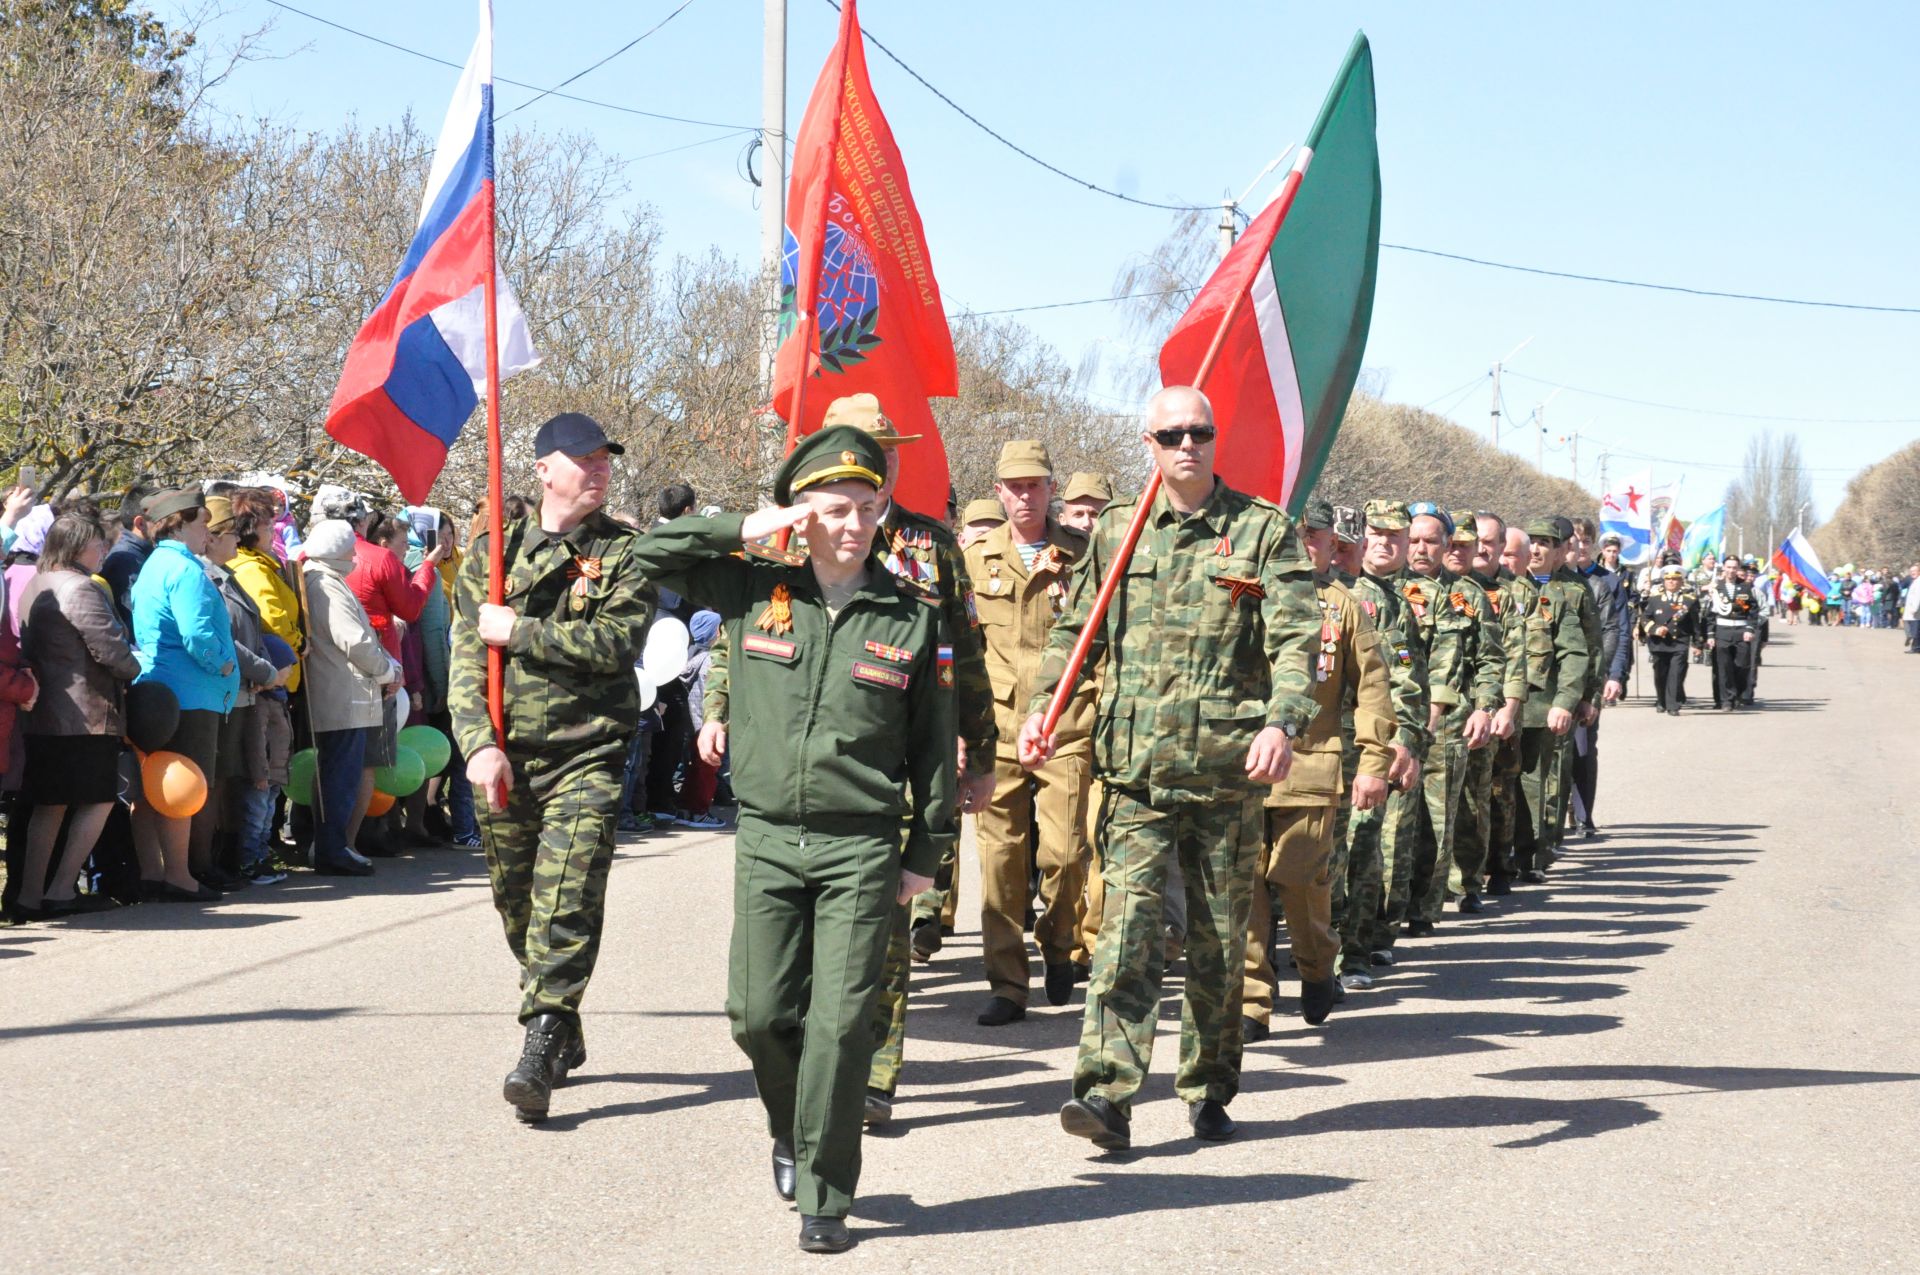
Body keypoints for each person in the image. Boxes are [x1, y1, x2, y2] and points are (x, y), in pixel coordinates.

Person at [632, 425, 955, 1253]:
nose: (852, 523)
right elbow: (651, 558)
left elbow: (932, 745)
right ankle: (792, 1124)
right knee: (757, 1013)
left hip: (863, 846)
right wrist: (746, 524)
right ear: (801, 510)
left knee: (842, 1026)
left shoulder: (909, 615)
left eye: (866, 507)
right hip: (770, 836)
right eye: (833, 507)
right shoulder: (751, 588)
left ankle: (826, 1192)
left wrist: (926, 856)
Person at [1018, 385, 1318, 1151]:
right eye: (1172, 433)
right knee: (1129, 936)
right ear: (1147, 444)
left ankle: (1211, 1084)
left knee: (1220, 944)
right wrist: (1042, 709)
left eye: (1200, 432)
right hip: (1137, 774)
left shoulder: (1259, 533)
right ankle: (1106, 1093)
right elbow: (1075, 631)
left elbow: (1295, 642)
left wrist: (1283, 721)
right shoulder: (1119, 532)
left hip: (1225, 773)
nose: (1187, 444)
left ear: (1216, 440)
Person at [449, 412, 650, 1126]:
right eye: (585, 459)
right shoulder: (492, 553)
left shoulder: (624, 552)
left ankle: (538, 1043)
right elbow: (466, 659)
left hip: (587, 753)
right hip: (507, 755)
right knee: (521, 912)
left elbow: (618, 641)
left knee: (565, 897)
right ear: (543, 469)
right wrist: (477, 743)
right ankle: (564, 1017)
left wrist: (523, 630)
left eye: (605, 460)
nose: (598, 470)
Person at [1241, 499, 1393, 1037]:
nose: (1304, 544)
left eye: (1315, 536)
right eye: (1295, 533)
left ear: (1335, 545)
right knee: (1246, 888)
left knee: (1300, 880)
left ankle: (1316, 966)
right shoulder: (1244, 593)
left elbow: (1374, 689)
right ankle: (1252, 1000)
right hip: (1243, 767)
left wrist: (1374, 761)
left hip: (1310, 765)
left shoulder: (1345, 607)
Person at [964, 439, 1095, 1026]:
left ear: (1051, 490)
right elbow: (960, 648)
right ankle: (1007, 984)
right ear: (999, 491)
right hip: (997, 728)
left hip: (1065, 726)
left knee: (1066, 855)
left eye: (1035, 485)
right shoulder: (975, 558)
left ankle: (1059, 939)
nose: (1024, 495)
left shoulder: (1086, 557)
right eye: (1014, 486)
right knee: (1000, 863)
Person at [12, 510, 136, 918]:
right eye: (98, 542)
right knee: (98, 800)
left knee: (49, 804)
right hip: (85, 714)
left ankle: (30, 894)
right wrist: (135, 669)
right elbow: (109, 649)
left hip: (43, 713)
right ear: (80, 545)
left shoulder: (36, 584)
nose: (103, 550)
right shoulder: (80, 587)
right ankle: (62, 888)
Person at [127, 488, 238, 902]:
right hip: (190, 694)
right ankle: (179, 876)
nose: (207, 533)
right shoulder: (186, 569)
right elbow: (196, 633)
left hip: (158, 691)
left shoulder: (155, 564)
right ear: (179, 523)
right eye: (202, 524)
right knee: (181, 787)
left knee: (151, 787)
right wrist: (222, 663)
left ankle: (153, 874)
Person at [1402, 505, 1502, 934]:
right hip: (1393, 721)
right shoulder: (1385, 591)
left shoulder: (1467, 595)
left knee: (1436, 822)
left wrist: (1486, 707)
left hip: (1449, 723)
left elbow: (1489, 658)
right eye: (1415, 540)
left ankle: (1423, 910)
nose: (1421, 549)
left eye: (1430, 541)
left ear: (1446, 547)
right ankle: (1383, 909)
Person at [299, 519, 400, 877]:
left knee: (336, 773)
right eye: (349, 552)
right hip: (343, 693)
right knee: (340, 777)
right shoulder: (325, 584)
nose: (354, 558)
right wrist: (387, 670)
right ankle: (332, 847)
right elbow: (354, 640)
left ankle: (332, 845)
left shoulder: (320, 578)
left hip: (342, 691)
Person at [1510, 517, 1595, 882]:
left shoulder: (1569, 593)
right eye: (1535, 542)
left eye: (1547, 543)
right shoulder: (1500, 590)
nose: (1539, 549)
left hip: (1545, 704)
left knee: (1543, 779)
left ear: (1561, 549)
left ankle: (1535, 851)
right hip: (1500, 704)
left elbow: (1588, 647)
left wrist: (1585, 696)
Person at [1640, 564, 1697, 714]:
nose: (1672, 582)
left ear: (1681, 581)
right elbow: (1645, 618)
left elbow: (1695, 623)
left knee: (1676, 673)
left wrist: (1698, 642)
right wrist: (1655, 629)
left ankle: (1673, 705)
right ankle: (1661, 700)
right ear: (1664, 581)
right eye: (1669, 579)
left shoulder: (1689, 600)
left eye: (1676, 579)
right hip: (1659, 643)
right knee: (1660, 674)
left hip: (1679, 642)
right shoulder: (1655, 600)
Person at [1706, 555, 1760, 709]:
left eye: (1734, 567)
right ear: (1724, 568)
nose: (1731, 570)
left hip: (1741, 631)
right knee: (1724, 667)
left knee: (1741, 666)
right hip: (1722, 630)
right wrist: (1710, 634)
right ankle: (1726, 700)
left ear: (1738, 569)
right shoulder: (1716, 587)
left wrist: (1750, 628)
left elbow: (1752, 610)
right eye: (1728, 567)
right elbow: (1710, 614)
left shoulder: (1745, 587)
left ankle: (1737, 692)